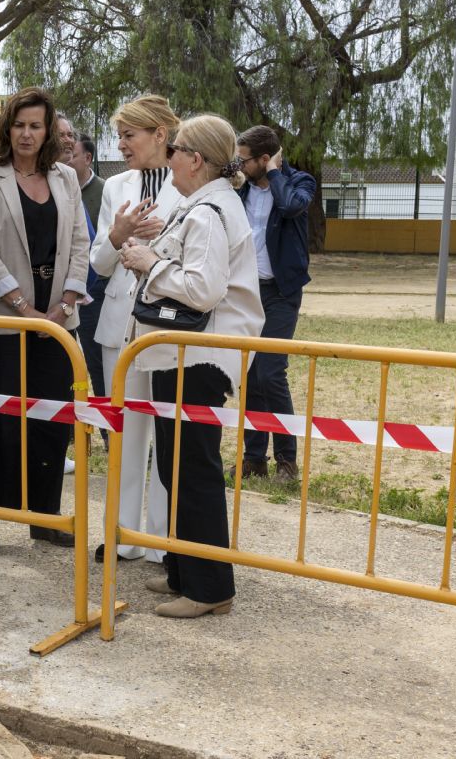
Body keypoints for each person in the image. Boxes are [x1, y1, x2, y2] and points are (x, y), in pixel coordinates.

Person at [119, 113, 263, 618]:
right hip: (184, 355)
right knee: (176, 465)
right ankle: (183, 570)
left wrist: (150, 265)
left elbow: (202, 289)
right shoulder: (205, 205)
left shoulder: (208, 212)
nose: (169, 158)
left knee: (192, 468)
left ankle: (209, 588)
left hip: (198, 358)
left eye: (175, 150)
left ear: (195, 159)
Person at [0, 88, 89, 556]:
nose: (26, 134)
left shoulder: (65, 177)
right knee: (1, 422)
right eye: (19, 125)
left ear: (47, 129)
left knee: (52, 422)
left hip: (60, 323)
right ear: (7, 127)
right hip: (6, 322)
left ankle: (44, 517)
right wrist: (25, 309)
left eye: (35, 125)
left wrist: (66, 302)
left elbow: (80, 241)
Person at [89, 94, 183, 564]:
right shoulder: (115, 186)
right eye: (119, 136)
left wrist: (159, 241)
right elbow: (99, 263)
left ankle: (161, 538)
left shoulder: (190, 184)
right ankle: (122, 533)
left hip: (166, 325)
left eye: (129, 135)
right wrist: (118, 234)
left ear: (159, 135)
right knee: (123, 433)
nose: (121, 145)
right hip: (117, 325)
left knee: (166, 434)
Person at [233, 125, 316, 481]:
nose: (239, 165)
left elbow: (290, 206)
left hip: (281, 291)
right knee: (249, 374)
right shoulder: (241, 188)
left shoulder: (299, 182)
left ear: (265, 159)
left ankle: (286, 460)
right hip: (246, 291)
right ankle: (254, 459)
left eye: (244, 159)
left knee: (270, 372)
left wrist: (275, 174)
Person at [57, 119, 108, 461]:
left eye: (71, 147)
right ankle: (69, 436)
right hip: (61, 297)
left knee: (97, 365)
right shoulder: (60, 183)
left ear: (87, 158)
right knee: (65, 368)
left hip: (93, 292)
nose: (67, 151)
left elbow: (92, 245)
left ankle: (108, 433)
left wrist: (81, 287)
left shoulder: (104, 191)